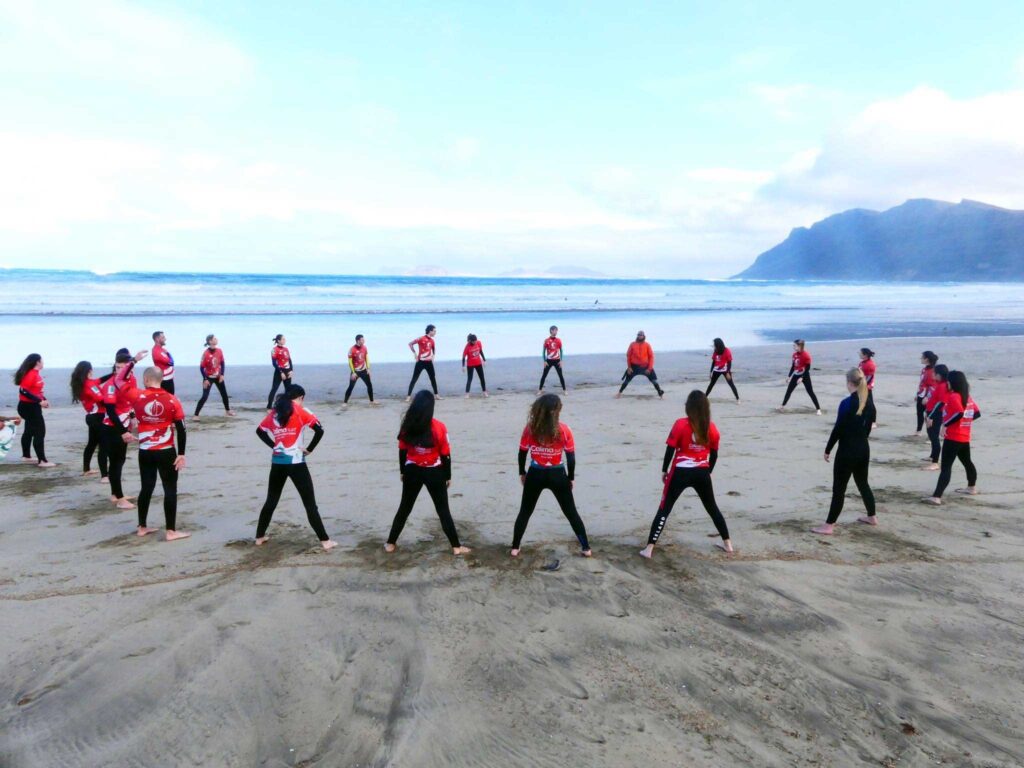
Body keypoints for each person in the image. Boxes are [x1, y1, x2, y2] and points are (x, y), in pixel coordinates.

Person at [640, 390, 733, 557]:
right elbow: (714, 454)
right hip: (702, 473)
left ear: (688, 407)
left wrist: (664, 470)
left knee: (664, 509)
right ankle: (728, 544)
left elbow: (670, 449)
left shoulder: (680, 424)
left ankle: (649, 548)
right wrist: (708, 471)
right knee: (712, 508)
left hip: (680, 472)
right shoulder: (711, 428)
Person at [385, 391, 470, 555]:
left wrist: (403, 471)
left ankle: (390, 544)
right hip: (434, 472)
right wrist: (448, 475)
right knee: (443, 510)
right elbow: (446, 454)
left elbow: (402, 451)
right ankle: (456, 547)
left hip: (412, 471)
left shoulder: (407, 425)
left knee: (405, 508)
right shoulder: (439, 427)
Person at [255, 385, 337, 549]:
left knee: (271, 501)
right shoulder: (300, 411)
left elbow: (259, 431)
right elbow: (319, 430)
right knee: (309, 504)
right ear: (300, 397)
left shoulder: (275, 412)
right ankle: (325, 541)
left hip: (277, 462)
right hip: (296, 463)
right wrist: (309, 449)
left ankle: (259, 537)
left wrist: (274, 446)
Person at [511, 394, 592, 557]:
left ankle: (515, 548)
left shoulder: (530, 428)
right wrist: (570, 477)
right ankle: (586, 548)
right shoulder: (564, 429)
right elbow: (571, 456)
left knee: (525, 512)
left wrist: (522, 472)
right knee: (571, 512)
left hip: (535, 474)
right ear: (557, 411)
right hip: (557, 475)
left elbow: (522, 452)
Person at [119, 367, 191, 540]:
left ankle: (142, 527)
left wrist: (133, 361)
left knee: (147, 487)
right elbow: (182, 429)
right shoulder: (172, 400)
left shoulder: (137, 395)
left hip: (145, 451)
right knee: (170, 489)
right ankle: (171, 531)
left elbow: (119, 381)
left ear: (145, 380)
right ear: (161, 379)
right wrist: (181, 453)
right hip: (166, 451)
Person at [811, 368, 877, 535]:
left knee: (839, 489)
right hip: (863, 449)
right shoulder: (869, 402)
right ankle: (872, 516)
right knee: (863, 483)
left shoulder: (847, 403)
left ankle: (829, 525)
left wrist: (828, 448)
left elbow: (838, 428)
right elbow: (868, 428)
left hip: (847, 451)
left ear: (849, 383)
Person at [922, 371, 980, 505]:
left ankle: (936, 497)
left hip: (953, 438)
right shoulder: (967, 397)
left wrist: (946, 425)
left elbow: (959, 413)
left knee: (946, 467)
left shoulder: (954, 396)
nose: (947, 383)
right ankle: (972, 488)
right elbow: (976, 414)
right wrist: (965, 424)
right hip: (964, 438)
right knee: (967, 462)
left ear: (952, 383)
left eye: (948, 381)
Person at [103, 349, 149, 509]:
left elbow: (130, 402)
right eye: (117, 368)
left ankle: (116, 494)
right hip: (112, 426)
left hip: (124, 423)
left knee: (120, 460)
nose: (119, 371)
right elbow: (109, 410)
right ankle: (120, 498)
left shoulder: (133, 380)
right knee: (116, 462)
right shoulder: (111, 384)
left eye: (122, 368)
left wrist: (133, 416)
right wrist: (123, 431)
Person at [70, 361, 115, 479]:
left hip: (91, 417)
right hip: (98, 417)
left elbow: (100, 380)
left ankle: (86, 469)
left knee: (91, 444)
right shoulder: (89, 385)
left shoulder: (82, 383)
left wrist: (113, 374)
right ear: (89, 371)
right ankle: (105, 475)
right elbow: (101, 400)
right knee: (103, 446)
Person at [13, 354, 56, 468]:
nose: (43, 362)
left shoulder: (36, 374)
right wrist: (39, 401)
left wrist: (44, 400)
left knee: (29, 430)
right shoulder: (31, 374)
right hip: (28, 407)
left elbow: (36, 391)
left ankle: (26, 456)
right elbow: (23, 391)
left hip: (32, 406)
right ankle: (42, 461)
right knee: (39, 431)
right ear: (37, 362)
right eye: (42, 360)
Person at [194, 334, 234, 419]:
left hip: (218, 376)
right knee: (205, 396)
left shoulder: (219, 351)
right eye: (214, 339)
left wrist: (222, 374)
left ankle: (227, 411)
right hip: (208, 377)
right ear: (210, 341)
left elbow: (222, 363)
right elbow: (201, 367)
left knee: (224, 394)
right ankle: (196, 414)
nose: (216, 340)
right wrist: (205, 379)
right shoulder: (206, 353)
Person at [617, 330, 664, 398]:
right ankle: (619, 393)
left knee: (654, 381)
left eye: (641, 335)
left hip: (645, 366)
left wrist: (649, 368)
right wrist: (629, 367)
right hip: (634, 366)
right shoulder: (632, 344)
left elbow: (651, 357)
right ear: (637, 336)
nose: (640, 336)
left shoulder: (647, 345)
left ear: (644, 336)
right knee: (627, 380)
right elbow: (628, 356)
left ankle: (660, 394)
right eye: (638, 335)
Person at [780, 339, 821, 414]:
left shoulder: (806, 356)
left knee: (810, 392)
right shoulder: (794, 355)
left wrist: (802, 378)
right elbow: (793, 366)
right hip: (796, 375)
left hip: (805, 375)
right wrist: (789, 376)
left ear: (800, 346)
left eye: (794, 345)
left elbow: (807, 368)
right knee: (789, 391)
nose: (793, 347)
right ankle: (782, 406)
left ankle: (818, 409)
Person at [922, 364, 949, 471]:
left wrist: (931, 416)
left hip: (936, 414)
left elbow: (941, 403)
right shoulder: (938, 384)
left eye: (934, 373)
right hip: (931, 412)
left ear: (939, 375)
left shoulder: (943, 386)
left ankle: (935, 462)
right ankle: (932, 455)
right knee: (930, 434)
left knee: (934, 436)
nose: (932, 374)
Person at [406, 324, 439, 400]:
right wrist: (414, 354)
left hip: (429, 363)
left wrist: (433, 356)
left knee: (433, 378)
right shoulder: (421, 338)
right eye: (434, 331)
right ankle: (408, 396)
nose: (435, 332)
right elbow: (410, 344)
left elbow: (433, 349)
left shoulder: (432, 340)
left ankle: (436, 395)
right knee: (414, 378)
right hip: (420, 362)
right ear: (430, 331)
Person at [344, 334, 375, 406]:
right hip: (356, 372)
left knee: (369, 385)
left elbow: (367, 358)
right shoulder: (352, 349)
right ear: (358, 341)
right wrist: (353, 372)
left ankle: (372, 401)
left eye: (364, 339)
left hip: (364, 370)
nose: (364, 341)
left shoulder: (364, 347)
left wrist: (368, 368)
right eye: (362, 340)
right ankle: (345, 402)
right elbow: (350, 362)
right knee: (351, 387)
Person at [705, 338, 739, 402]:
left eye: (714, 344)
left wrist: (728, 372)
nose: (713, 345)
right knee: (711, 384)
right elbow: (713, 362)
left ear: (718, 344)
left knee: (731, 384)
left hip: (725, 370)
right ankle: (705, 397)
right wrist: (710, 372)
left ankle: (738, 399)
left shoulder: (727, 351)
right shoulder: (715, 351)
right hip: (716, 370)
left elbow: (729, 362)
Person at [266, 334, 294, 410]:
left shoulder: (286, 349)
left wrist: (291, 370)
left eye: (285, 339)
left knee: (288, 390)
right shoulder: (274, 350)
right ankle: (269, 407)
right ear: (278, 340)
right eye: (283, 339)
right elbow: (274, 363)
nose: (285, 340)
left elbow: (289, 360)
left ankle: (287, 406)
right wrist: (281, 372)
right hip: (279, 371)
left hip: (287, 371)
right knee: (274, 389)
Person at [914, 351, 938, 435]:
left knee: (929, 415)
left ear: (927, 359)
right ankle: (918, 431)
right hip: (921, 394)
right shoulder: (924, 369)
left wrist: (927, 397)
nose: (920, 359)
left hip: (929, 396)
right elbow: (921, 382)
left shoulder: (933, 371)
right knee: (919, 413)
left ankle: (931, 434)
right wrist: (917, 394)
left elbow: (933, 386)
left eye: (922, 357)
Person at [538, 326, 566, 395]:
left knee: (560, 375)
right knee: (544, 375)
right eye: (555, 330)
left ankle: (565, 390)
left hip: (557, 360)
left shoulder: (558, 340)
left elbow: (561, 351)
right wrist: (544, 361)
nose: (556, 332)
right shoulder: (546, 340)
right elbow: (543, 351)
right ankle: (540, 390)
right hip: (549, 361)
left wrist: (561, 360)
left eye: (557, 330)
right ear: (551, 331)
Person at [462, 333, 488, 397]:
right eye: (474, 341)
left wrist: (484, 360)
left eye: (476, 340)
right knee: (470, 378)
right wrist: (463, 366)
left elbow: (481, 351)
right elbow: (463, 357)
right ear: (471, 341)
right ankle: (467, 394)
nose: (475, 342)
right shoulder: (467, 347)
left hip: (478, 363)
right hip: (470, 364)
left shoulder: (478, 343)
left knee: (482, 377)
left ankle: (484, 392)